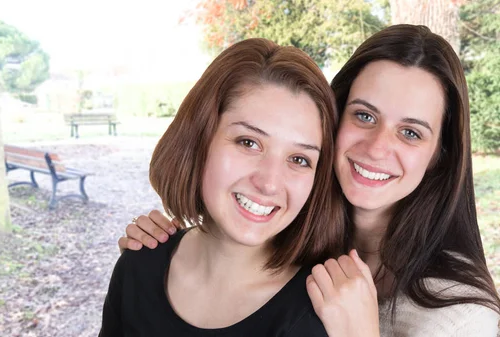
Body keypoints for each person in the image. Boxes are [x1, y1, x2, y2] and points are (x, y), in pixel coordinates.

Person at [117, 24, 500, 336]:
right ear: (330, 126)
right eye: (364, 116)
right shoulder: (288, 235)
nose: (378, 147)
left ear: (439, 157)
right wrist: (165, 245)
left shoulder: (461, 320)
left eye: (411, 133)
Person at [99, 37, 367, 336]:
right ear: (199, 138)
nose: (268, 183)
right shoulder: (138, 264)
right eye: (249, 142)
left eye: (299, 159)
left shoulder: (321, 314)